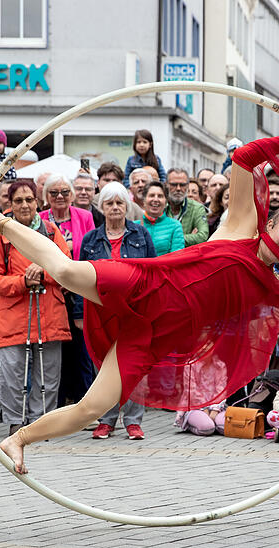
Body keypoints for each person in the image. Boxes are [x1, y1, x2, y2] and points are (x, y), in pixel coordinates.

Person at [0, 123, 279, 473]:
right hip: (145, 284)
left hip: (154, 334)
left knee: (92, 407)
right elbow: (245, 157)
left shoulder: (276, 287)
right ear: (271, 223)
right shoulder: (241, 224)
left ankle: (19, 439)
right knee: (68, 271)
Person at [0, 179, 71, 436]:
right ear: (10, 205)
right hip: (15, 314)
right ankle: (15, 420)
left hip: (49, 312)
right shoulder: (1, 236)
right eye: (18, 201)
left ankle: (41, 421)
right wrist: (22, 281)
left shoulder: (52, 232)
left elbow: (67, 268)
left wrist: (43, 272)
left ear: (37, 202)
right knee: (12, 371)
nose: (24, 205)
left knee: (48, 373)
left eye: (29, 200)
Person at [78, 182, 156, 440]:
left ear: (126, 206)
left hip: (135, 311)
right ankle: (106, 420)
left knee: (135, 365)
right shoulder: (90, 239)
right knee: (103, 365)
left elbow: (153, 273)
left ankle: (133, 422)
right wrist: (79, 314)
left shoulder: (140, 234)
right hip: (101, 312)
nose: (114, 208)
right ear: (102, 207)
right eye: (109, 203)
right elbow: (79, 277)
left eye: (119, 203)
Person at [40, 175, 96, 260]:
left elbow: (93, 247)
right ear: (46, 196)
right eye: (54, 193)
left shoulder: (85, 217)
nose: (60, 196)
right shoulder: (39, 219)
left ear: (71, 194)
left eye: (65, 192)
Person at [165, 168, 208, 246]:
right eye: (174, 185)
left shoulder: (197, 208)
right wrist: (190, 237)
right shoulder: (159, 206)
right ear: (166, 185)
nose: (178, 188)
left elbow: (203, 236)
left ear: (187, 186)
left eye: (182, 185)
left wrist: (171, 239)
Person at [140, 181, 185, 255]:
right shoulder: (134, 226)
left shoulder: (175, 226)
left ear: (166, 202)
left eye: (160, 196)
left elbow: (177, 256)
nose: (155, 199)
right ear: (144, 201)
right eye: (151, 195)